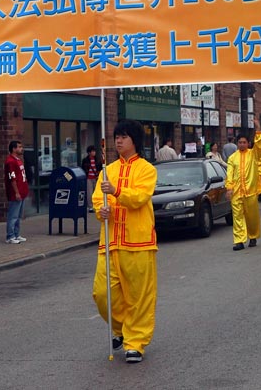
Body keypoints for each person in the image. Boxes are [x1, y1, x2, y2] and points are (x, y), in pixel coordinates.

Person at [92, 119, 157, 364]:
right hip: (110, 241)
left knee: (139, 296)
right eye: (117, 137)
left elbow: (139, 198)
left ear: (135, 140)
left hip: (138, 241)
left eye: (124, 137)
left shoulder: (147, 170)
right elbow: (98, 199)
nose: (118, 141)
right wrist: (101, 211)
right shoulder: (107, 170)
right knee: (102, 293)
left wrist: (116, 191)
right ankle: (121, 329)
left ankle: (135, 343)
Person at [225, 118, 261, 251]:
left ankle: (253, 236)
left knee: (252, 217)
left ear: (248, 143)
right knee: (237, 217)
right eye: (240, 142)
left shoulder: (253, 154)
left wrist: (258, 129)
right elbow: (229, 174)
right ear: (237, 143)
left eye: (244, 142)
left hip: (250, 192)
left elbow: (259, 147)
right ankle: (239, 241)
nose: (242, 144)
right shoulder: (232, 158)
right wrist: (229, 188)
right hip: (236, 193)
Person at [4, 140, 29, 244]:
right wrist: (16, 192)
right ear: (14, 149)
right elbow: (12, 178)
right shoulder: (10, 161)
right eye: (19, 147)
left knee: (18, 216)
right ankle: (10, 236)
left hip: (22, 191)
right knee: (13, 216)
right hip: (15, 193)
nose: (21, 149)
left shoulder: (18, 160)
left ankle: (16, 234)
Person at [81, 145, 103, 213]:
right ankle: (90, 207)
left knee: (97, 192)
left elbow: (100, 168)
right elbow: (83, 169)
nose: (94, 152)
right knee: (89, 193)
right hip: (89, 178)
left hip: (96, 178)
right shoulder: (85, 160)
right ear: (89, 152)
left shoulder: (97, 159)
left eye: (94, 151)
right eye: (92, 151)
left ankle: (97, 205)